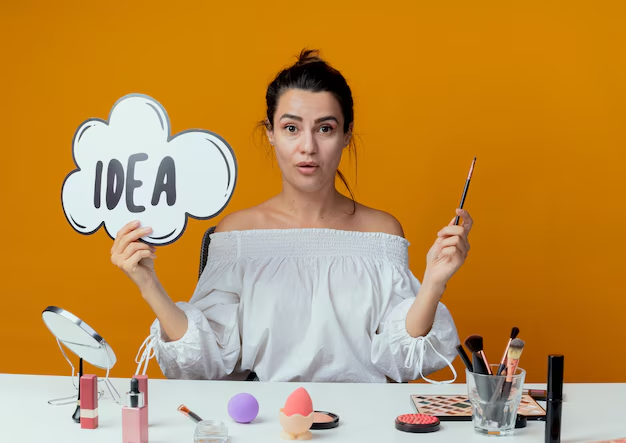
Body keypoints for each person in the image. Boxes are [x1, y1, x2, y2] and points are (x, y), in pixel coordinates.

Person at [111, 49, 473, 383]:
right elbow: (205, 361)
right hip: (265, 423)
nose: (308, 147)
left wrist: (434, 283)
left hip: (366, 423)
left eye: (325, 128)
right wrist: (148, 284)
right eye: (291, 128)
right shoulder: (238, 233)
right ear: (270, 133)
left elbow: (402, 359)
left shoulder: (381, 231)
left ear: (347, 135)